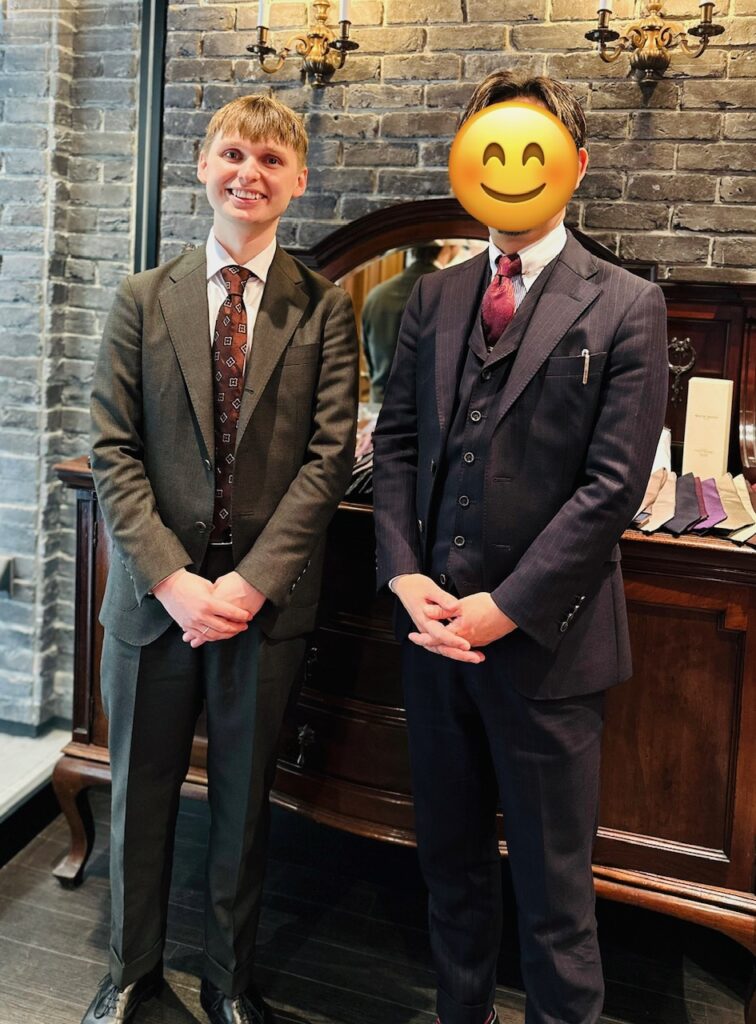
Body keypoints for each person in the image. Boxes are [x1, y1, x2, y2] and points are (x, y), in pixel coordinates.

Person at [372, 71, 668, 1024]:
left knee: (554, 902)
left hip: (549, 651)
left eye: (532, 147)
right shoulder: (435, 296)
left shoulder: (627, 303)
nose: (509, 166)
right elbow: (398, 444)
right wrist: (403, 572)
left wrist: (507, 607)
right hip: (433, 641)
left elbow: (611, 488)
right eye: (489, 148)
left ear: (574, 165)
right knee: (451, 874)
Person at [85, 94, 358, 1024]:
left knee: (244, 807)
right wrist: (171, 578)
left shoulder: (324, 309)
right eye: (234, 154)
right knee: (139, 797)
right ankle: (130, 975)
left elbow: (329, 461)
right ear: (204, 165)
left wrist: (245, 584)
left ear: (299, 180)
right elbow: (114, 449)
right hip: (153, 600)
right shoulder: (141, 299)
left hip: (260, 605)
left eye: (272, 160)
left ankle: (230, 983)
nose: (250, 173)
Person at [362, 243, 458, 403]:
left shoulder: (377, 295)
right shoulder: (454, 294)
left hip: (380, 403)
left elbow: (369, 356)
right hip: (428, 408)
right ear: (448, 248)